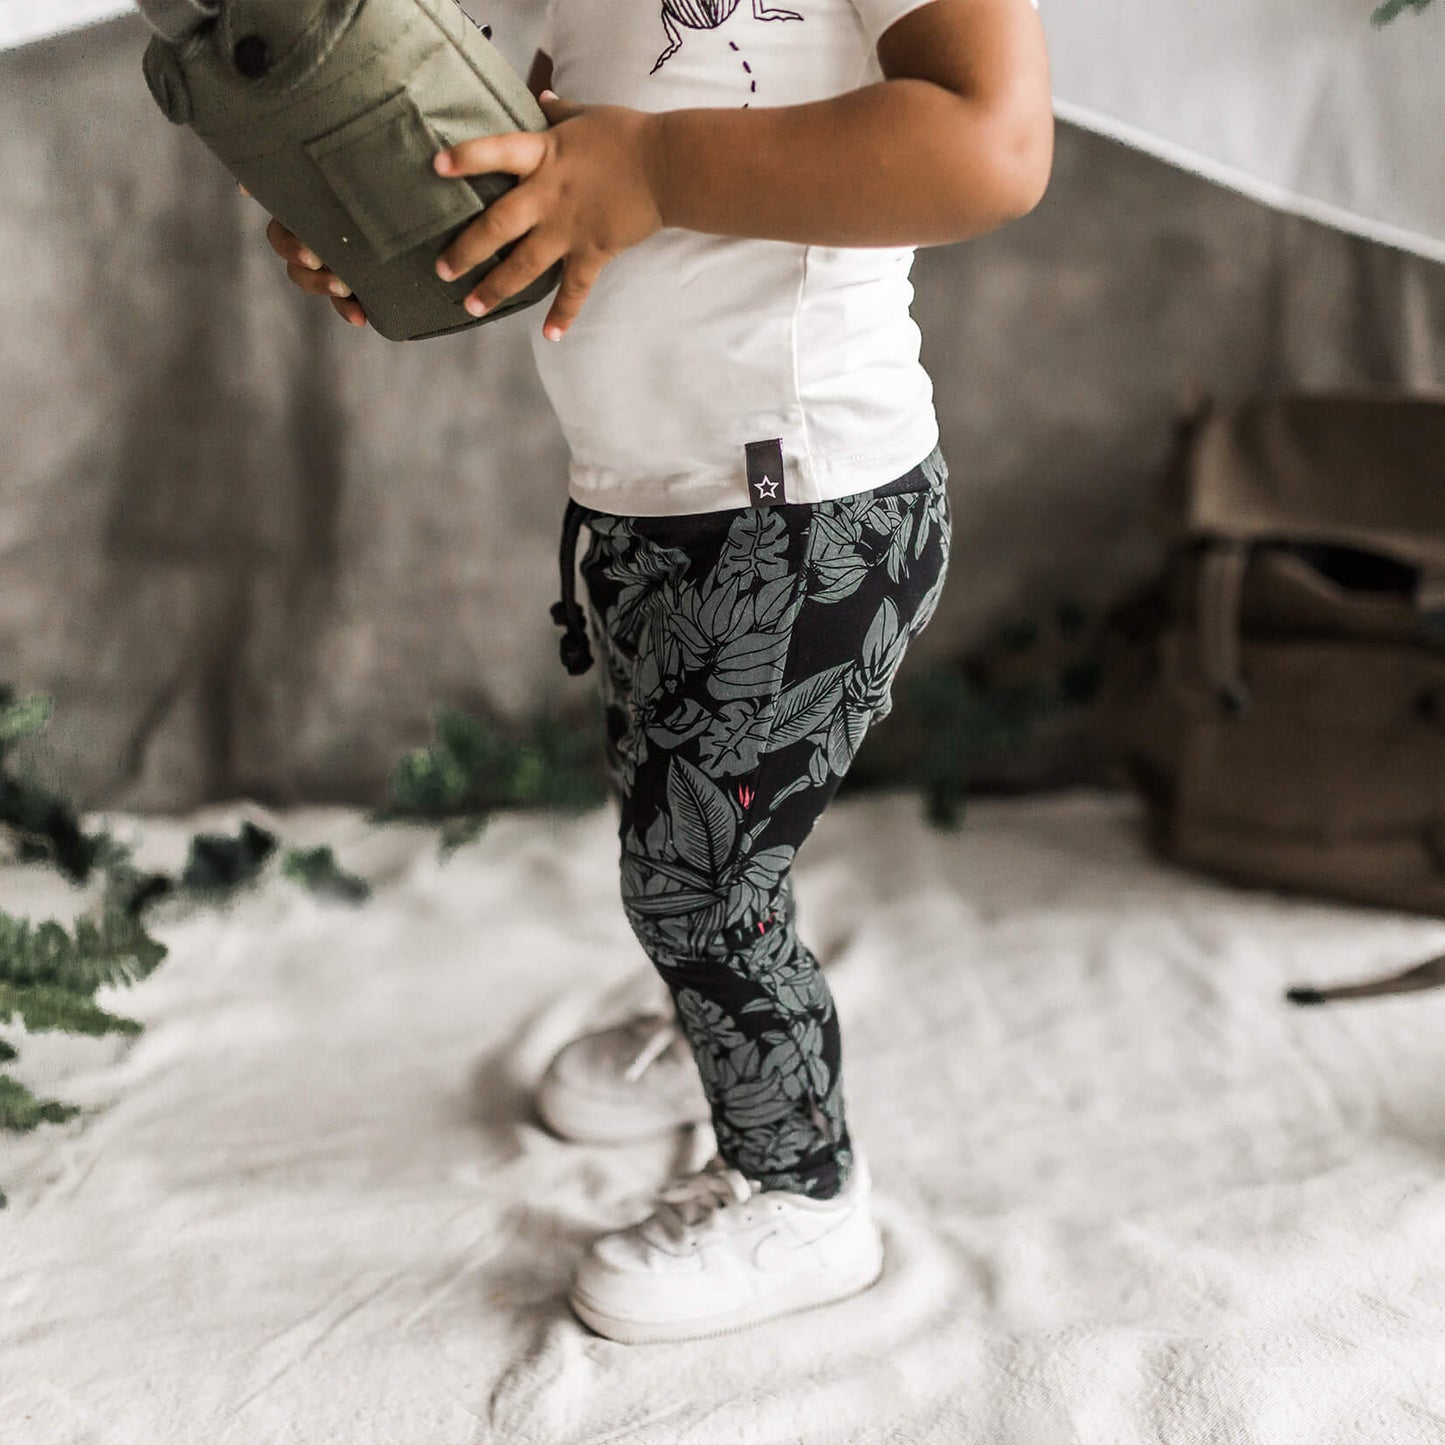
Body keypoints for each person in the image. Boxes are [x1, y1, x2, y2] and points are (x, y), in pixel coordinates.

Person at [263, 0, 1052, 1344]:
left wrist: (655, 166)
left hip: (808, 508)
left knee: (699, 879)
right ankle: (713, 1026)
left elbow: (991, 146)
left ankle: (802, 1191)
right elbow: (518, 154)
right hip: (648, 504)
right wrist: (378, 226)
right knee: (678, 830)